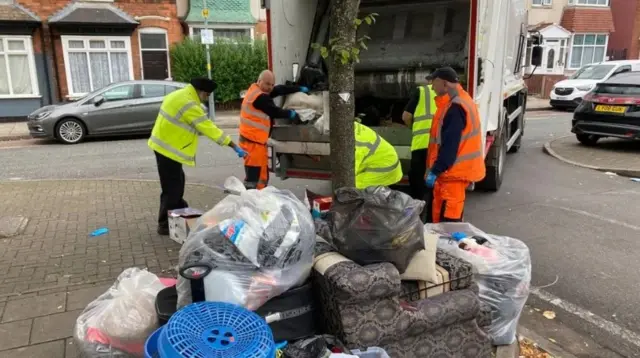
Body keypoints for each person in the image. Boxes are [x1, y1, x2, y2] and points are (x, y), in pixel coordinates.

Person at [148, 77, 247, 235]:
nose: (206, 98)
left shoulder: (179, 95)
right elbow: (209, 129)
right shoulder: (190, 105)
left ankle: (180, 211)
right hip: (168, 150)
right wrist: (233, 145)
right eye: (207, 95)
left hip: (163, 147)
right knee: (172, 188)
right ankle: (165, 224)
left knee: (176, 183)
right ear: (201, 92)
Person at [425, 67, 486, 223]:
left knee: (448, 225)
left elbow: (449, 146)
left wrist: (436, 170)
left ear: (444, 83)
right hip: (454, 175)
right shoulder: (460, 101)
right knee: (446, 222)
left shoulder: (455, 108)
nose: (432, 87)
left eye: (434, 83)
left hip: (452, 175)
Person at [239, 70, 309, 189]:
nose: (270, 88)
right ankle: (250, 202)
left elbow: (279, 89)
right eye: (267, 84)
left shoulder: (257, 90)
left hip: (256, 144)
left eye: (272, 84)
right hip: (252, 145)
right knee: (253, 179)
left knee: (261, 177)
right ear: (259, 81)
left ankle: (260, 199)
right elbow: (274, 111)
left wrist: (298, 88)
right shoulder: (259, 97)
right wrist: (291, 114)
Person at [402, 78, 437, 221]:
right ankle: (431, 218)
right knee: (435, 183)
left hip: (420, 144)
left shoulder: (421, 91)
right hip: (438, 145)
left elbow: (406, 116)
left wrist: (412, 127)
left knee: (417, 181)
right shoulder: (451, 92)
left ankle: (416, 217)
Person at [355, 121, 403, 189]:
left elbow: (347, 173)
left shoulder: (355, 143)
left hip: (384, 169)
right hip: (384, 163)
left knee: (350, 188)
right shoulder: (350, 126)